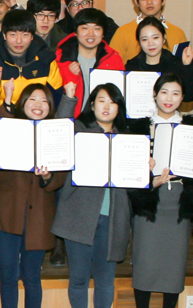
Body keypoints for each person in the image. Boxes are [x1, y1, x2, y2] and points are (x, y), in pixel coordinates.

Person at [127, 74, 193, 308]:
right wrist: (149, 180)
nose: (169, 98)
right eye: (164, 92)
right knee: (144, 262)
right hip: (149, 203)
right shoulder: (138, 127)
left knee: (174, 264)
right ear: (155, 94)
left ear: (183, 98)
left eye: (176, 93)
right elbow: (128, 171)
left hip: (178, 202)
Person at [50, 84, 136, 308]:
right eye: (101, 100)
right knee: (79, 279)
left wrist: (144, 169)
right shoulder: (79, 130)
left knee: (105, 281)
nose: (107, 106)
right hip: (78, 216)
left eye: (113, 102)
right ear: (92, 104)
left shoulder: (127, 139)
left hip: (113, 219)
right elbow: (60, 128)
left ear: (119, 108)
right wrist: (69, 99)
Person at [0, 82, 74, 308]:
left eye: (44, 101)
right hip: (6, 215)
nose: (39, 105)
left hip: (39, 218)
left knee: (31, 277)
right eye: (32, 99)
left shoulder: (56, 135)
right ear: (23, 103)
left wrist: (48, 176)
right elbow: (3, 123)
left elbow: (60, 179)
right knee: (8, 276)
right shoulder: (11, 128)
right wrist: (7, 99)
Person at [0, 9, 62, 113]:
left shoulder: (45, 60)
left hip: (37, 118)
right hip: (0, 120)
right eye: (13, 35)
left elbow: (55, 99)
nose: (19, 41)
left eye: (25, 35)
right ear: (4, 35)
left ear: (32, 36)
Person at [54, 8, 125, 117]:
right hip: (70, 121)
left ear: (103, 33)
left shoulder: (113, 60)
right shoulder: (60, 59)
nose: (91, 34)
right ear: (75, 32)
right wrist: (71, 75)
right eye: (85, 28)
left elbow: (118, 97)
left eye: (97, 28)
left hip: (103, 121)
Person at [110, 0, 189, 62]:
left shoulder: (178, 33)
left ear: (163, 1)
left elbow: (183, 66)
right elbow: (111, 66)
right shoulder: (122, 33)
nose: (149, 2)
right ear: (136, 2)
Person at [125, 18, 193, 105]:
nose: (150, 43)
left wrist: (187, 66)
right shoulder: (131, 66)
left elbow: (189, 97)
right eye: (144, 39)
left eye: (155, 37)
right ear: (139, 42)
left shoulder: (175, 64)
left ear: (164, 38)